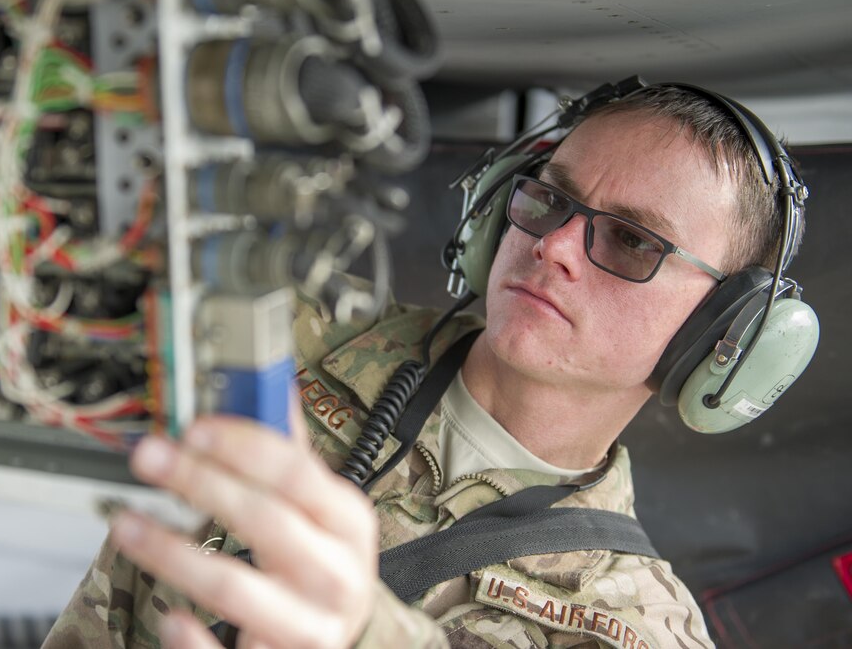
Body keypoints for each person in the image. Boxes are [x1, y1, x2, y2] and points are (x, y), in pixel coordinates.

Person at [43, 83, 799, 648]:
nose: (554, 246)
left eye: (633, 241)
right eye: (550, 199)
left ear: (719, 334)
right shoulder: (286, 331)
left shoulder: (636, 626)